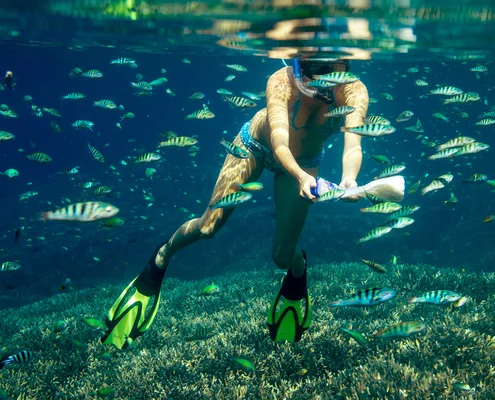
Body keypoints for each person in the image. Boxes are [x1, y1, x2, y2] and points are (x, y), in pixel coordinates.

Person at [101, 56, 369, 349]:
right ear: (298, 66)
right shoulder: (280, 82)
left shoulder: (354, 91)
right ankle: (161, 257)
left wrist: (349, 180)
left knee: (282, 257)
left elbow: (353, 145)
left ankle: (297, 269)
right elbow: (279, 142)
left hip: (306, 162)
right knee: (207, 227)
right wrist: (300, 177)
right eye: (316, 72)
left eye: (336, 71)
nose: (327, 82)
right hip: (254, 146)